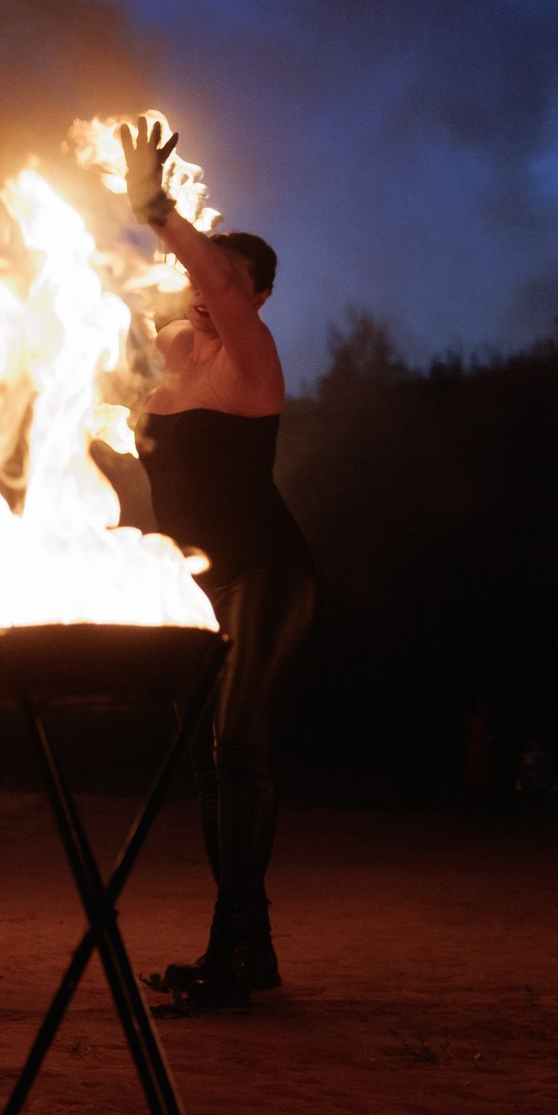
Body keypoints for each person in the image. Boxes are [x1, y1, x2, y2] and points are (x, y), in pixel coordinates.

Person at [119, 118, 319, 1010]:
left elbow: (205, 274)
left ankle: (241, 949)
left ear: (258, 296)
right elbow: (107, 307)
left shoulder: (251, 362)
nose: (207, 292)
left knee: (239, 750)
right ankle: (242, 948)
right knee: (208, 762)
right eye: (207, 277)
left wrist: (156, 207)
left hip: (265, 576)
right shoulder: (170, 353)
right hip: (191, 587)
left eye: (228, 282)